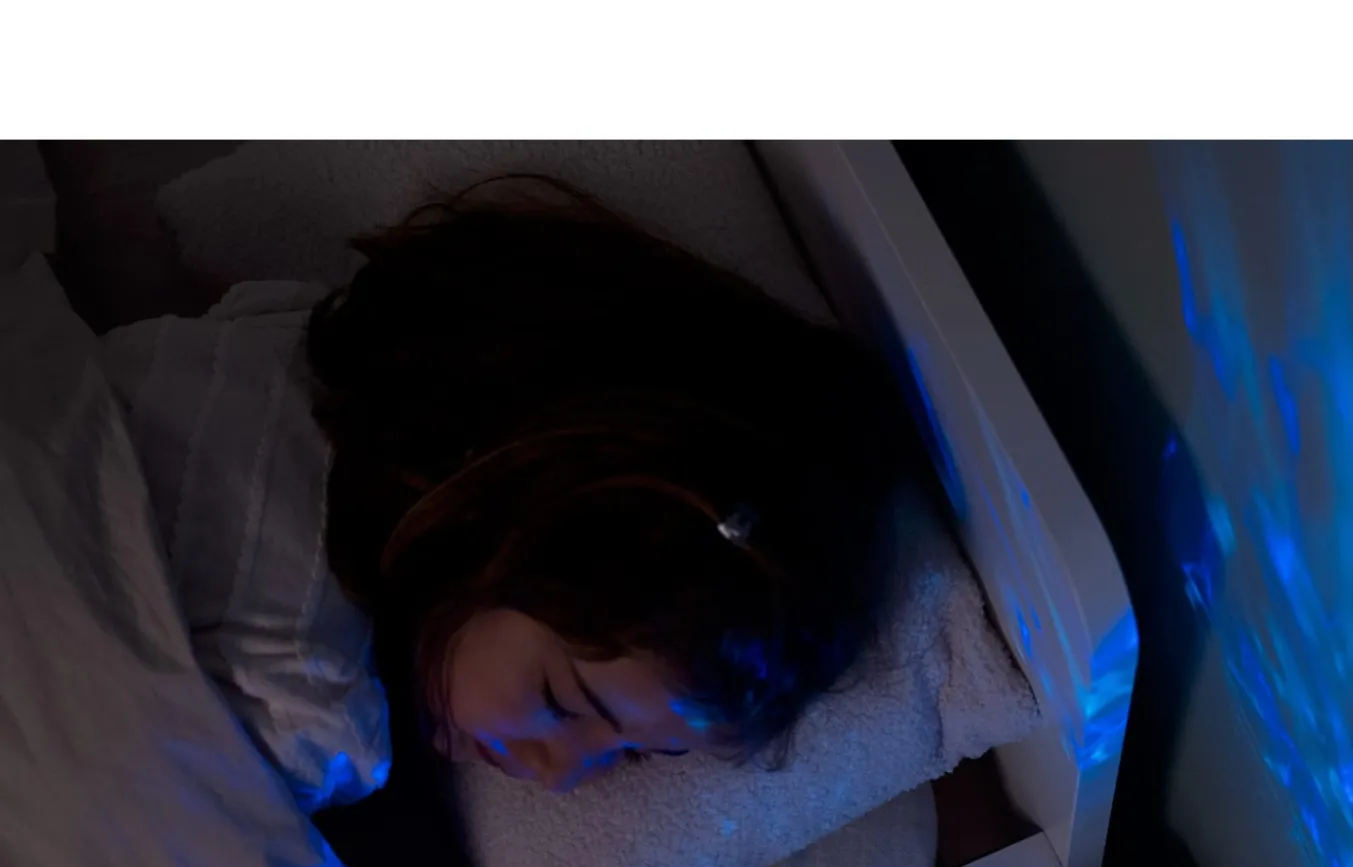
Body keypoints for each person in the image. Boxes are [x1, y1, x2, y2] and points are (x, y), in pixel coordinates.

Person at [307, 176, 925, 795]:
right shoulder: (296, 597)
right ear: (493, 518)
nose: (558, 778)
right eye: (561, 701)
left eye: (634, 752)